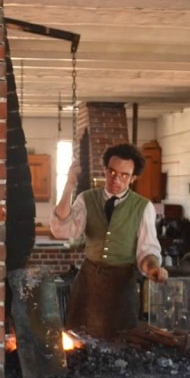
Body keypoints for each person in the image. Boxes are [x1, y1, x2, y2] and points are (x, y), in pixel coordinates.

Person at [50, 142, 168, 339]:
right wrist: (68, 186)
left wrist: (152, 268)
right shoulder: (86, 199)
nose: (116, 179)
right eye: (112, 172)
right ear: (105, 170)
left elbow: (147, 250)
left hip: (121, 287)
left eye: (124, 175)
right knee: (78, 340)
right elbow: (62, 229)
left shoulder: (143, 207)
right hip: (88, 283)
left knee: (119, 343)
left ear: (133, 178)